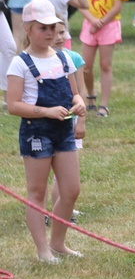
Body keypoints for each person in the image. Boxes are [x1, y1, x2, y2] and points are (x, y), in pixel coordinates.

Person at [6, 0, 86, 263]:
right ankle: (42, 251)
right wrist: (47, 111)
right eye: (43, 28)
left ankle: (58, 244)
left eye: (53, 27)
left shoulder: (64, 58)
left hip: (63, 131)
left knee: (71, 190)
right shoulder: (20, 63)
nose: (50, 33)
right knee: (37, 192)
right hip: (36, 132)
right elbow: (13, 105)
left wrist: (79, 103)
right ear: (27, 29)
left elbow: (74, 94)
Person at [79, 0, 129, 118]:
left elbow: (117, 6)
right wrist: (93, 20)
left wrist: (101, 22)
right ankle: (91, 95)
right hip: (91, 26)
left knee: (105, 65)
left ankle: (104, 105)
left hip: (108, 26)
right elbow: (82, 5)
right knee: (85, 66)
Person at [49, 19, 85, 217]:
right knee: (54, 173)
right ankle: (59, 212)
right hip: (48, 124)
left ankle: (64, 209)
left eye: (63, 32)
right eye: (55, 33)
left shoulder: (72, 58)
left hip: (70, 121)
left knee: (64, 174)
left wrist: (81, 120)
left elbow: (79, 91)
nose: (59, 37)